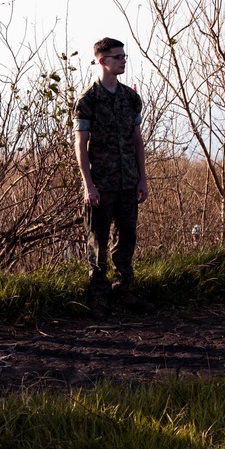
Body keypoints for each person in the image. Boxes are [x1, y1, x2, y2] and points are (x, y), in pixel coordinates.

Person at [73, 37, 155, 319]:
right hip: (101, 184)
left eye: (124, 56)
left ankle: (125, 291)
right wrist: (88, 185)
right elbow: (80, 146)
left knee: (127, 238)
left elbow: (137, 141)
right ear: (102, 60)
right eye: (117, 56)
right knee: (97, 240)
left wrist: (142, 179)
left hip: (127, 182)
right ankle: (98, 296)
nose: (123, 60)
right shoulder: (88, 100)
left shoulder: (130, 98)